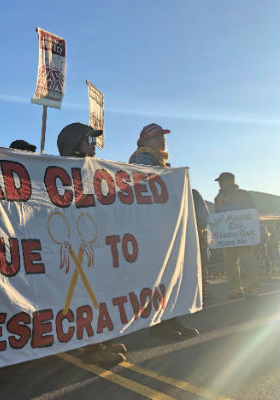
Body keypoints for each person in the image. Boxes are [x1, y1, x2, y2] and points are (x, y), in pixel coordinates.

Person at [57, 122, 128, 365]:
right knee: (83, 297)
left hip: (94, 244)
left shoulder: (94, 170)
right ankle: (92, 348)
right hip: (76, 247)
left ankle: (101, 340)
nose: (94, 144)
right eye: (89, 140)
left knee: (99, 293)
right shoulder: (60, 171)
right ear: (74, 143)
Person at [128, 124, 200, 340]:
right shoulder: (142, 160)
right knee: (158, 278)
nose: (162, 139)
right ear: (145, 141)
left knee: (167, 277)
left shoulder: (159, 161)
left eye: (162, 135)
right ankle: (160, 325)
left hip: (161, 226)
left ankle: (170, 318)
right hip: (151, 227)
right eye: (156, 136)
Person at [213, 172, 260, 298]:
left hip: (244, 235)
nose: (219, 184)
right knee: (230, 264)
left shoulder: (244, 195)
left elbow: (252, 213)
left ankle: (252, 289)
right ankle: (236, 289)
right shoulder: (218, 199)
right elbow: (216, 217)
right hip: (228, 238)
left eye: (221, 181)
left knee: (247, 261)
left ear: (229, 181)